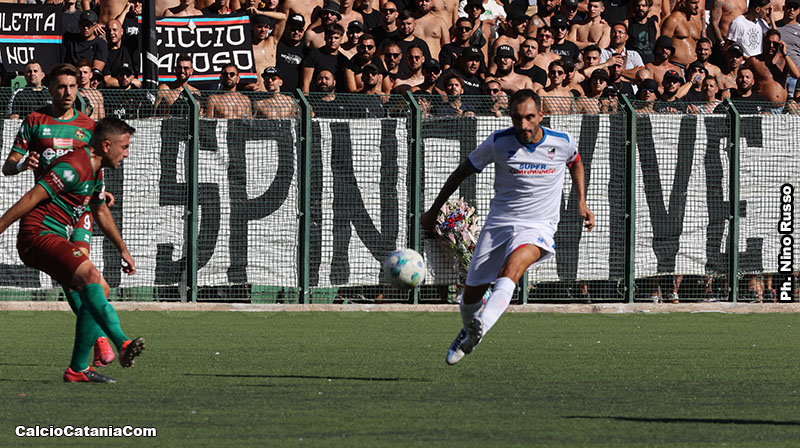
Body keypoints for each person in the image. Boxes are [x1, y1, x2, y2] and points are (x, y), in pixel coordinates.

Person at [421, 90, 594, 365]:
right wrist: (433, 211)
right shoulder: (498, 142)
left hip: (538, 226)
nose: (523, 125)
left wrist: (582, 201)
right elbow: (461, 173)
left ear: (541, 115)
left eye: (529, 117)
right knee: (471, 294)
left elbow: (575, 162)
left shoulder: (561, 142)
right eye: (517, 118)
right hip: (499, 224)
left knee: (511, 270)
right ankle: (468, 331)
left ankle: (482, 327)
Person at [0, 113, 146, 383]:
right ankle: (122, 343)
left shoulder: (95, 169)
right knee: (91, 278)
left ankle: (77, 370)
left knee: (98, 289)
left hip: (54, 234)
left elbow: (100, 210)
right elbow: (31, 197)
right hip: (37, 235)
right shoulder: (73, 166)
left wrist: (123, 250)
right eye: (124, 147)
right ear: (106, 146)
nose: (127, 154)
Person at [660, 0, 703, 68]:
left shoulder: (696, 23)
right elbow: (663, 44)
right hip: (676, 65)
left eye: (697, 3)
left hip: (694, 67)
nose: (697, 6)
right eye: (693, 3)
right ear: (684, 3)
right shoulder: (673, 20)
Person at [275, 13, 307, 93]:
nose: (296, 32)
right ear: (287, 27)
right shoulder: (277, 44)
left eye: (300, 30)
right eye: (293, 29)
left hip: (295, 95)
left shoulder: (306, 50)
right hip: (276, 93)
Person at [625, 0, 659, 64]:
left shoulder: (654, 24)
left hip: (650, 63)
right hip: (633, 63)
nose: (640, 8)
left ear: (649, 8)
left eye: (643, 6)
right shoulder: (627, 23)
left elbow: (658, 45)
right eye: (638, 6)